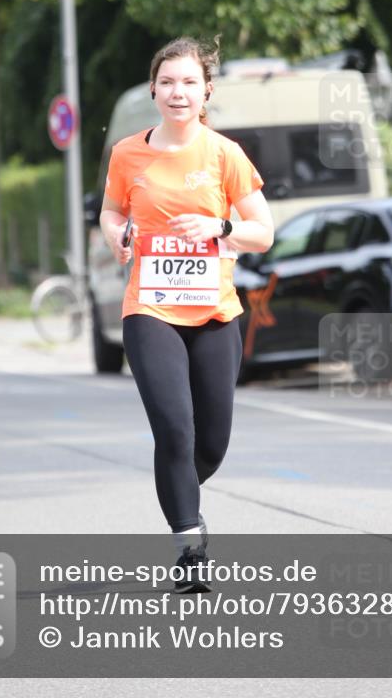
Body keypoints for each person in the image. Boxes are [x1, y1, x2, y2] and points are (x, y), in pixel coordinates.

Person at [99, 36, 274, 592]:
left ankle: (178, 489)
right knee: (175, 429)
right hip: (149, 310)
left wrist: (221, 228)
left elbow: (262, 232)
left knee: (211, 443)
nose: (178, 92)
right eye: (168, 82)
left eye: (189, 82)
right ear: (154, 89)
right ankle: (189, 542)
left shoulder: (225, 155)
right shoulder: (128, 153)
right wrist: (118, 238)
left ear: (205, 92)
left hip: (216, 314)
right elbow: (110, 211)